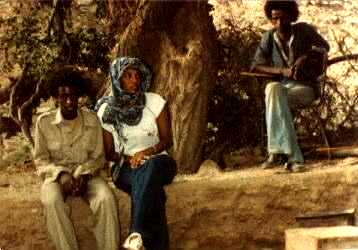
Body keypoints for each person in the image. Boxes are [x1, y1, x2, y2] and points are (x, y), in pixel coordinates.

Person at [33, 67, 120, 250]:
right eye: (63, 97)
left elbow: (99, 157)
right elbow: (41, 160)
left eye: (73, 96)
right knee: (51, 201)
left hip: (88, 175)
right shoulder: (44, 123)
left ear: (79, 95)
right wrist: (61, 174)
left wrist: (84, 174)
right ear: (55, 98)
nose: (69, 101)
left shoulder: (92, 120)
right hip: (56, 178)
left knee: (105, 198)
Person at [96, 57, 177, 250]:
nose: (134, 81)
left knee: (149, 168)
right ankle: (144, 243)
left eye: (137, 76)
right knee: (152, 192)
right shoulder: (106, 110)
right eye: (128, 76)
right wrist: (128, 158)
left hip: (159, 161)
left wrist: (146, 152)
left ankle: (136, 233)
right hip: (125, 168)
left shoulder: (154, 101)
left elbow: (167, 139)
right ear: (117, 79)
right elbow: (109, 152)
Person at [251, 0, 329, 171]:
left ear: (290, 16)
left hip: (305, 88)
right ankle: (294, 159)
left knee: (275, 96)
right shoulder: (269, 37)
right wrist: (282, 71)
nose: (278, 23)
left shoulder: (303, 30)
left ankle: (275, 153)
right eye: (274, 19)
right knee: (272, 88)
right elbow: (256, 65)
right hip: (283, 88)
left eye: (282, 18)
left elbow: (325, 47)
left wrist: (306, 56)